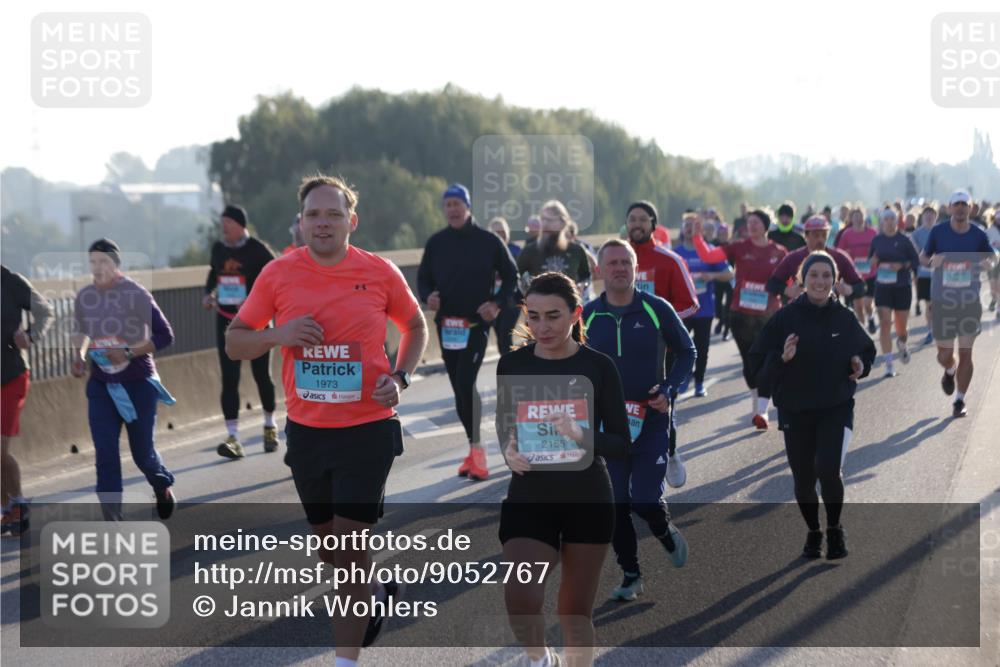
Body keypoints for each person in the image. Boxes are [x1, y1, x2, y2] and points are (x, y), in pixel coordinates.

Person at [225, 175, 429, 661]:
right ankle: (375, 594)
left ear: (351, 222)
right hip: (309, 433)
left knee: (350, 555)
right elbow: (236, 341)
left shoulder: (379, 272)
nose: (323, 223)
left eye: (333, 214)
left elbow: (415, 325)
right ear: (300, 223)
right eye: (314, 214)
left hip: (367, 432)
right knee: (333, 555)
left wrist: (400, 377)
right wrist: (281, 334)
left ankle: (345, 658)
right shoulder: (278, 274)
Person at [496, 272, 630, 667]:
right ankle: (540, 659)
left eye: (552, 316)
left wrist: (580, 434)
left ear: (575, 314)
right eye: (532, 316)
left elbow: (622, 445)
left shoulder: (599, 367)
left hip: (586, 495)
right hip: (530, 493)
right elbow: (507, 425)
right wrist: (508, 451)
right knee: (520, 597)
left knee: (574, 613)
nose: (541, 327)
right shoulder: (512, 365)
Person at [583, 240, 694, 602]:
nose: (619, 269)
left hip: (650, 422)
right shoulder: (585, 316)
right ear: (599, 270)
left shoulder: (655, 308)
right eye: (611, 263)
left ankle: (662, 530)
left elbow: (687, 351)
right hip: (606, 429)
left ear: (635, 269)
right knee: (615, 505)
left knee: (644, 501)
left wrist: (670, 388)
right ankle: (631, 575)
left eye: (625, 263)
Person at [749, 251, 876, 560]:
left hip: (836, 406)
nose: (820, 281)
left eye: (826, 276)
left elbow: (866, 351)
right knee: (804, 479)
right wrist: (782, 358)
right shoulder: (784, 318)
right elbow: (758, 369)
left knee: (829, 469)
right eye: (814, 275)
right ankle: (813, 531)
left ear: (835, 281)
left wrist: (860, 364)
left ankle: (834, 529)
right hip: (796, 409)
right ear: (802, 280)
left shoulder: (844, 317)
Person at [70, 238, 178, 521]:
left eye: (104, 261)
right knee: (105, 454)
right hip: (102, 385)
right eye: (93, 262)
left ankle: (161, 484)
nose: (98, 267)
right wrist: (79, 355)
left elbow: (165, 335)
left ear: (116, 264)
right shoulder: (85, 297)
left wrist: (128, 352)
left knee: (142, 454)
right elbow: (82, 330)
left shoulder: (135, 293)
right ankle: (112, 520)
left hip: (138, 382)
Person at [418, 185, 517, 480]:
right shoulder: (436, 243)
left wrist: (497, 304)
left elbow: (511, 275)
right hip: (447, 327)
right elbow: (423, 280)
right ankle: (473, 448)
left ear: (468, 207)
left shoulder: (487, 241)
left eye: (457, 204)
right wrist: (428, 298)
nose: (452, 209)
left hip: (475, 325)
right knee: (459, 389)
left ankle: (478, 452)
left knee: (465, 382)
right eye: (447, 204)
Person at [691, 209, 788, 429]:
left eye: (756, 222)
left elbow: (788, 281)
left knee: (769, 360)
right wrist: (697, 236)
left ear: (766, 225)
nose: (751, 226)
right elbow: (708, 256)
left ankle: (763, 407)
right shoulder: (739, 247)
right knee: (749, 361)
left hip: (769, 316)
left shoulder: (779, 252)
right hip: (741, 314)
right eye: (749, 222)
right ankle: (757, 400)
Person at [203, 205, 279, 459]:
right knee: (229, 379)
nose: (223, 227)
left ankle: (270, 426)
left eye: (227, 223)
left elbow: (276, 274)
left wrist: (254, 299)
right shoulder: (218, 249)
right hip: (226, 321)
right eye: (222, 223)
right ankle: (233, 437)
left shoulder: (257, 249)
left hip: (256, 322)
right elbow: (214, 274)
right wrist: (209, 294)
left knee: (262, 377)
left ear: (240, 225)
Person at [919, 190, 998, 418]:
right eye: (957, 205)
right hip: (943, 301)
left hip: (969, 301)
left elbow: (993, 258)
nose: (961, 208)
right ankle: (949, 370)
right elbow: (924, 258)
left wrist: (988, 264)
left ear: (970, 208)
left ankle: (960, 400)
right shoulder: (938, 231)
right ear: (950, 207)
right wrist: (933, 261)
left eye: (965, 205)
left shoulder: (978, 234)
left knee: (966, 353)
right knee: (944, 354)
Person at [1, 266, 54, 536]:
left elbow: (45, 311)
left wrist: (31, 335)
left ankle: (17, 503)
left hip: (10, 377)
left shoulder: (11, 282)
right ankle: (9, 508)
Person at [673, 214, 733, 396]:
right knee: (681, 347)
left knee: (702, 348)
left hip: (704, 309)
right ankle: (683, 379)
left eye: (693, 225)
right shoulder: (677, 253)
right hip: (682, 310)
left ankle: (699, 383)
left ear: (700, 230)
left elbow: (729, 273)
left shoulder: (708, 251)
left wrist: (712, 276)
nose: (689, 228)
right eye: (686, 225)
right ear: (682, 228)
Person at [869, 208, 921, 377]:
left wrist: (902, 265)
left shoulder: (905, 239)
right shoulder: (877, 240)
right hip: (883, 286)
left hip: (902, 287)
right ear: (882, 222)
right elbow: (871, 261)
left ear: (897, 221)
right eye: (886, 219)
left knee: (901, 329)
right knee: (885, 322)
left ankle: (902, 343)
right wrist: (874, 261)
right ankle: (889, 364)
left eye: (893, 218)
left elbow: (916, 260)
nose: (890, 222)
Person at [624, 201, 699, 319]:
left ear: (653, 225)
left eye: (643, 220)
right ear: (626, 224)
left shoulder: (672, 260)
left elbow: (690, 305)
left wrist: (657, 319)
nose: (637, 224)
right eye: (632, 220)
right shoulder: (616, 258)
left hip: (657, 335)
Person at [767, 216, 864, 304]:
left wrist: (850, 289)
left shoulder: (839, 257)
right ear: (806, 236)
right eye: (816, 235)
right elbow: (772, 284)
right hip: (800, 313)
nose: (820, 239)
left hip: (830, 314)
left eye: (824, 235)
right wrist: (787, 290)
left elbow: (862, 286)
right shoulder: (793, 258)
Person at [516, 200, 593, 295]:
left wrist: (582, 285)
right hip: (539, 306)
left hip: (569, 306)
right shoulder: (530, 250)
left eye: (550, 220)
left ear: (563, 223)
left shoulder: (576, 250)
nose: (545, 224)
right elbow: (515, 275)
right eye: (543, 219)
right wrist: (525, 290)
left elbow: (586, 275)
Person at [836, 204, 878, 333]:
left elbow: (879, 250)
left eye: (861, 217)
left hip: (870, 273)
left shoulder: (872, 233)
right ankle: (863, 332)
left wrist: (875, 258)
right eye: (856, 217)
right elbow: (840, 254)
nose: (859, 220)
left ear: (865, 218)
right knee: (858, 306)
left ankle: (871, 317)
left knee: (867, 303)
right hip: (854, 275)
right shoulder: (846, 235)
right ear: (851, 219)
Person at [488, 216, 524, 356]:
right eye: (496, 232)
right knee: (499, 336)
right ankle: (507, 363)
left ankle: (510, 366)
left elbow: (523, 272)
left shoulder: (515, 250)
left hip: (511, 299)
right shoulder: (486, 251)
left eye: (502, 231)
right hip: (494, 300)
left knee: (505, 334)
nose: (500, 235)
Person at [910, 205, 939, 344]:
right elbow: (915, 252)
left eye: (931, 215)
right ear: (922, 217)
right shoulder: (916, 234)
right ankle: (930, 331)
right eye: (926, 215)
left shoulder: (942, 232)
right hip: (924, 273)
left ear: (935, 217)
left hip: (941, 273)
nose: (928, 217)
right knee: (929, 304)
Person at [712, 222, 734, 339]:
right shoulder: (713, 245)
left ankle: (726, 330)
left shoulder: (731, 246)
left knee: (728, 306)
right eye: (720, 233)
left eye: (725, 233)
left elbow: (736, 264)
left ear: (728, 234)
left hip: (730, 280)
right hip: (717, 278)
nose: (722, 235)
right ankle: (721, 321)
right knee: (717, 306)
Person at [985, 207, 1000, 319]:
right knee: (993, 286)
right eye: (998, 217)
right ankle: (994, 299)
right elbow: (985, 245)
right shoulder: (989, 231)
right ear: (994, 218)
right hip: (993, 260)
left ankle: (999, 309)